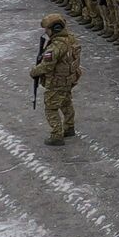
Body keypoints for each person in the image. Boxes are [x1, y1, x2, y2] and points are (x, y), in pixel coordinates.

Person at [31, 13, 82, 146]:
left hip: (56, 82)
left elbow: (47, 66)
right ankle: (69, 127)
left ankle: (56, 134)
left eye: (47, 29)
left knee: (51, 108)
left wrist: (34, 72)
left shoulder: (56, 46)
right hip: (69, 79)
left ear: (55, 29)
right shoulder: (71, 39)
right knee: (66, 103)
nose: (46, 32)